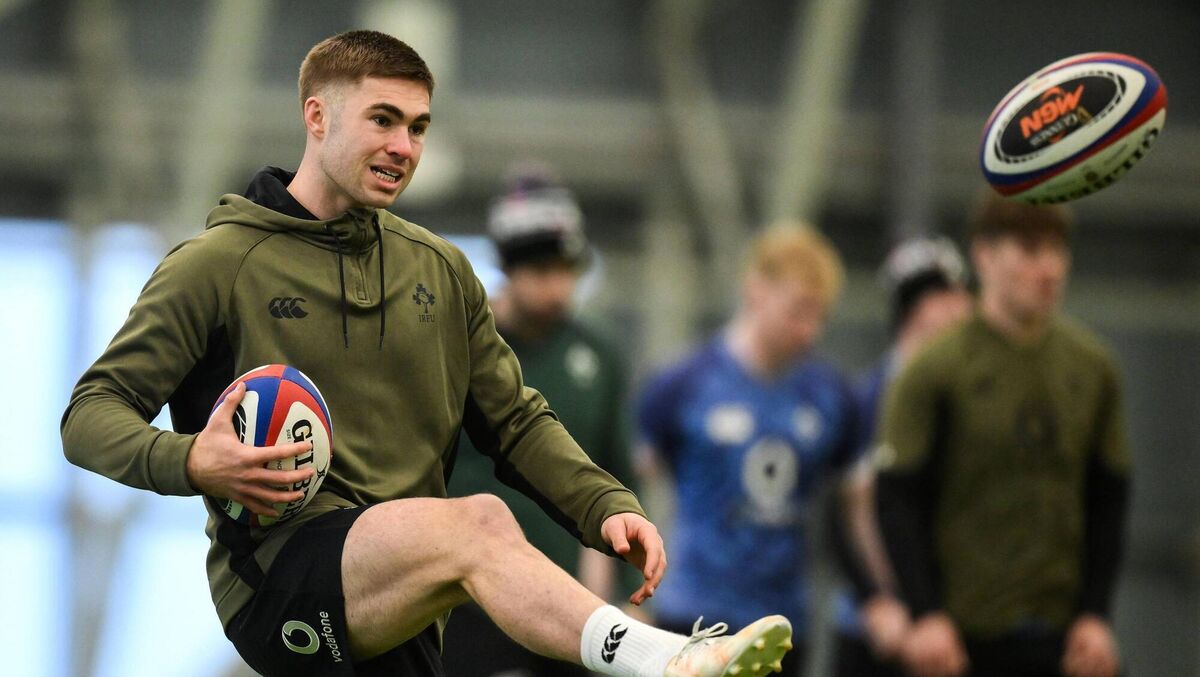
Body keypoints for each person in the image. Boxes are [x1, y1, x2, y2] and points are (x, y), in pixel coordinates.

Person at [59, 30, 793, 677]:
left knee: (469, 533)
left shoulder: (439, 271)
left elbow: (514, 420)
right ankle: (660, 657)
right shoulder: (217, 263)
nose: (404, 147)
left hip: (408, 602)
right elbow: (89, 415)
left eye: (418, 127)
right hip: (279, 579)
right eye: (383, 119)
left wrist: (601, 502)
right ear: (316, 117)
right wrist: (189, 459)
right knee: (482, 524)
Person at [875, 194, 1131, 677]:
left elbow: (1108, 496)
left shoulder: (1093, 366)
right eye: (1031, 250)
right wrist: (925, 613)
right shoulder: (936, 368)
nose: (1049, 268)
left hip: (1065, 639)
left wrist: (1097, 615)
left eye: (1058, 250)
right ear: (985, 256)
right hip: (963, 640)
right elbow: (896, 500)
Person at [637, 226, 862, 677]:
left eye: (819, 315)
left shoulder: (830, 397)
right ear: (757, 291)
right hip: (695, 615)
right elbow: (635, 485)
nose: (809, 330)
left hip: (781, 622)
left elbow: (853, 501)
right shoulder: (682, 386)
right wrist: (632, 596)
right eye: (799, 310)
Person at [442, 167, 639, 677]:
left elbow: (613, 476)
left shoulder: (597, 356)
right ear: (510, 266)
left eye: (568, 271)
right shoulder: (456, 347)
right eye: (544, 272)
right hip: (463, 602)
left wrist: (608, 596)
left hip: (564, 599)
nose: (559, 289)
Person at [830, 236, 972, 677]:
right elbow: (844, 511)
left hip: (951, 617)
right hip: (878, 620)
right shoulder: (870, 397)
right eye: (941, 296)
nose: (957, 307)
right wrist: (877, 598)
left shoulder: (966, 395)